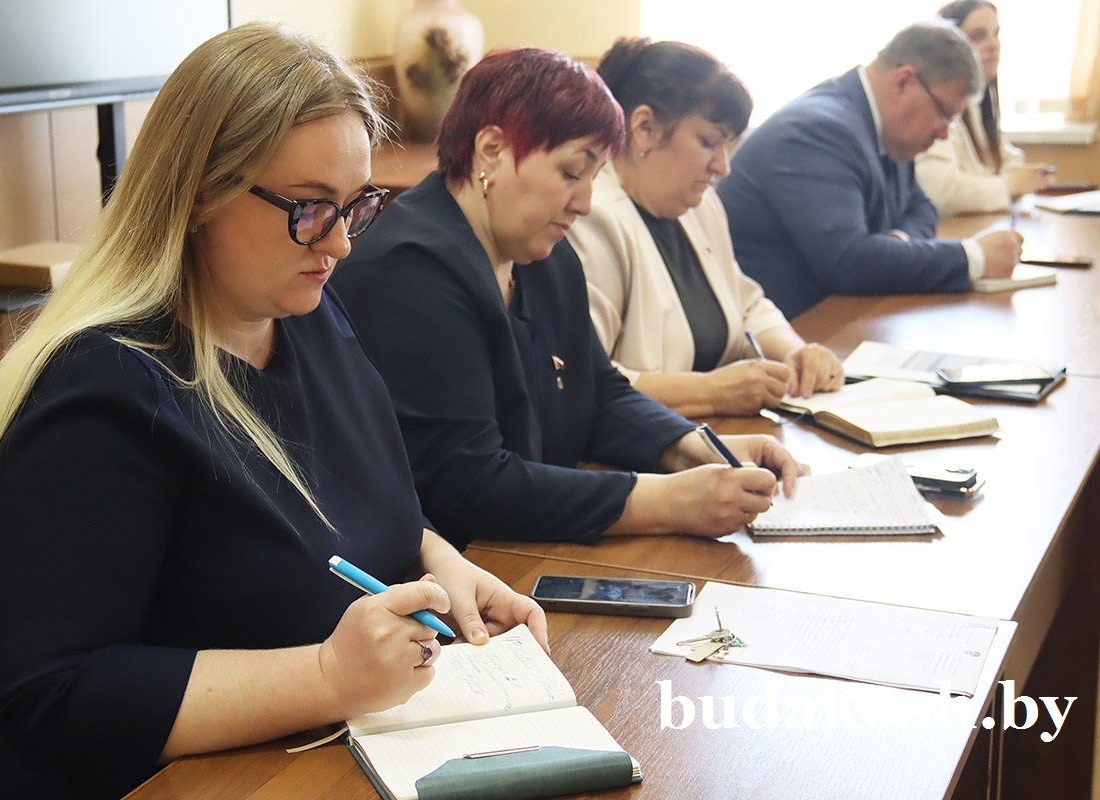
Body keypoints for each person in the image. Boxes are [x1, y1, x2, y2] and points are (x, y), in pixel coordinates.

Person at [0, 24, 545, 800]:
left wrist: (439, 565)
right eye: (309, 208)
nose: (340, 246)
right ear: (199, 193)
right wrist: (326, 675)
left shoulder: (307, 317)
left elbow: (346, 509)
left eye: (356, 206)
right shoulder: (105, 392)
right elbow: (49, 697)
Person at [331, 48, 806, 551]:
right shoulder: (413, 273)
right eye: (571, 173)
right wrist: (669, 501)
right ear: (492, 150)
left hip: (519, 549)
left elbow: (597, 390)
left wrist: (699, 449)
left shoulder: (541, 253)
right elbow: (468, 484)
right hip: (436, 572)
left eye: (594, 177)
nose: (585, 202)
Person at [568, 37, 844, 419]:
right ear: (644, 128)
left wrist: (795, 352)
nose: (723, 167)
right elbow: (583, 381)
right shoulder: (591, 217)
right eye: (708, 142)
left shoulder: (698, 204)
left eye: (728, 146)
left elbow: (745, 304)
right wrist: (710, 392)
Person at [715, 20, 1024, 320]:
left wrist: (895, 246)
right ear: (904, 82)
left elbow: (923, 208)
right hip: (789, 330)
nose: (944, 134)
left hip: (843, 317)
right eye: (944, 114)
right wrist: (974, 257)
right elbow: (848, 262)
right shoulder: (819, 130)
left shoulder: (888, 130)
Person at [915, 0, 1054, 216]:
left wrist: (1016, 178)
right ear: (948, 49)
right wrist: (1008, 185)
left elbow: (1009, 159)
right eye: (978, 37)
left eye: (996, 34)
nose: (993, 45)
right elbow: (941, 191)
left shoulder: (977, 103)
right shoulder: (932, 107)